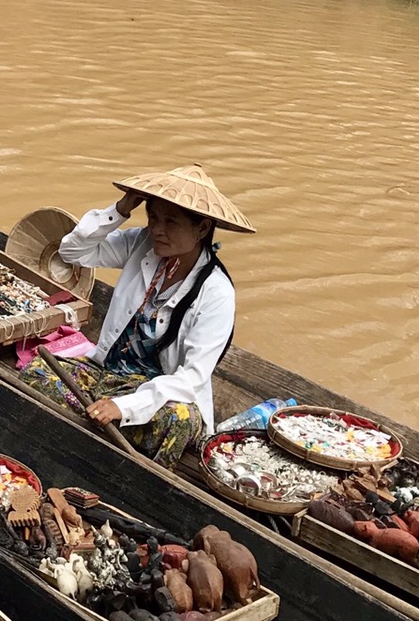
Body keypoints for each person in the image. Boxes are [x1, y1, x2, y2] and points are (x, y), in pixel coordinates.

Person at [21, 164, 253, 465]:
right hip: (110, 375)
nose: (158, 229)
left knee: (177, 420)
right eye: (153, 217)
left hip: (162, 395)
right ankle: (89, 438)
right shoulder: (143, 244)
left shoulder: (217, 292)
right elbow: (72, 253)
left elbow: (191, 378)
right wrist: (120, 209)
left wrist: (125, 407)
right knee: (38, 373)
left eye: (171, 222)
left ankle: (121, 458)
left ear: (202, 228)